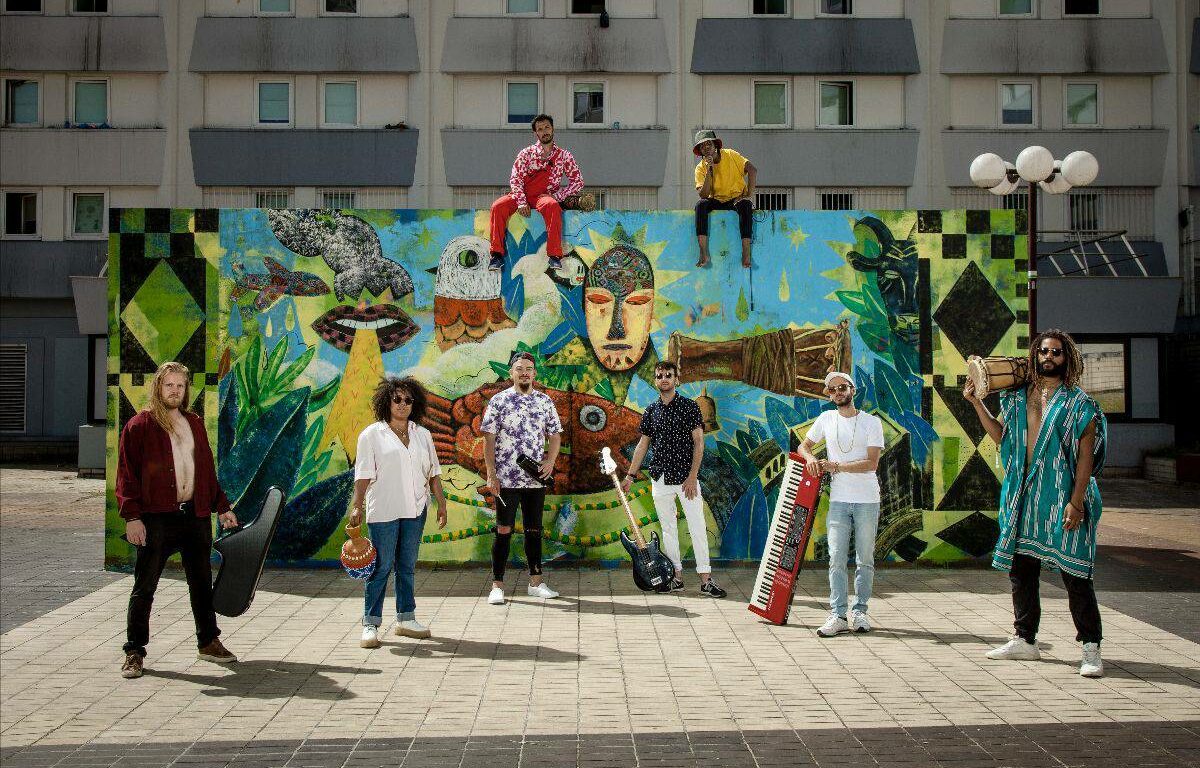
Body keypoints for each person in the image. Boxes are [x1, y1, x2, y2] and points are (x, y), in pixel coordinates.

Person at [964, 329, 1107, 678]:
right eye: (1043, 351)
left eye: (1056, 352)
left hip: (1062, 497)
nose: (1049, 357)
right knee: (1022, 569)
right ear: (1034, 355)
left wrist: (1076, 502)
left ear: (1067, 358)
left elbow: (1086, 456)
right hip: (1024, 496)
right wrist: (976, 403)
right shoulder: (1016, 398)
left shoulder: (1079, 404)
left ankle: (1091, 647)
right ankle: (1025, 640)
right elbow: (1002, 437)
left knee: (1076, 573)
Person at [116, 361, 239, 679]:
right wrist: (132, 517)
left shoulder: (193, 423)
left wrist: (221, 506)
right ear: (158, 386)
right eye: (169, 385)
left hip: (194, 516)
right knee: (145, 586)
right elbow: (127, 475)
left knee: (201, 583)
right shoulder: (140, 425)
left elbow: (206, 470)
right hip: (156, 518)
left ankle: (208, 642)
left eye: (180, 386)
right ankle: (134, 651)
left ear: (186, 390)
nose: (174, 391)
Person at [350, 377, 448, 648]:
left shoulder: (422, 434)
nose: (402, 404)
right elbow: (363, 476)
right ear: (387, 402)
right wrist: (357, 506)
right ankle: (370, 623)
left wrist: (441, 503)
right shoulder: (371, 435)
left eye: (408, 400)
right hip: (384, 510)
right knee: (381, 567)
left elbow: (433, 472)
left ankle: (406, 619)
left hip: (415, 509)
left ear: (414, 404)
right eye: (397, 399)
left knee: (406, 566)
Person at [622, 361, 727, 598]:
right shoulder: (651, 411)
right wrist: (630, 475)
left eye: (668, 375)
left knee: (697, 527)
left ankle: (706, 580)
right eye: (660, 376)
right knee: (668, 529)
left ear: (676, 379)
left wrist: (692, 476)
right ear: (655, 380)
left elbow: (699, 443)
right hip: (659, 479)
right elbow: (642, 445)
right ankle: (675, 578)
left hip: (685, 479)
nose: (664, 379)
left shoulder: (690, 407)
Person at [797, 372, 885, 637]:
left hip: (867, 499)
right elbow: (804, 446)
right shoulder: (826, 419)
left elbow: (872, 463)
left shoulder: (871, 422)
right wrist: (811, 458)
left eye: (842, 387)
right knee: (836, 558)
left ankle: (860, 612)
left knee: (864, 559)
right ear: (829, 395)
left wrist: (836, 466)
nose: (838, 392)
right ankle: (838, 615)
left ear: (852, 390)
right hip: (838, 500)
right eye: (833, 389)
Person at [481, 352, 563, 604]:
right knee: (503, 530)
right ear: (511, 373)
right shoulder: (499, 401)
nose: (524, 372)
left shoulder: (544, 401)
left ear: (534, 373)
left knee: (534, 531)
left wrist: (550, 461)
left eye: (528, 368)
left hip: (535, 480)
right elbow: (488, 439)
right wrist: (491, 474)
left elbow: (555, 435)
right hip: (506, 479)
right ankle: (497, 586)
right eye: (519, 368)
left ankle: (536, 583)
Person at [489, 114, 584, 272]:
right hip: (521, 195)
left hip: (544, 197)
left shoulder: (564, 156)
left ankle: (554, 256)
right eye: (540, 129)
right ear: (536, 133)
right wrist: (521, 202)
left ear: (552, 129)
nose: (544, 131)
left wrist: (557, 196)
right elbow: (516, 178)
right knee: (498, 206)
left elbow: (578, 181)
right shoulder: (526, 153)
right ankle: (496, 256)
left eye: (547, 127)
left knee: (553, 206)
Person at [693, 129, 757, 269]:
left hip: (735, 199)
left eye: (708, 144)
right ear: (700, 151)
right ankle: (703, 252)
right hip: (716, 200)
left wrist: (748, 194)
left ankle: (746, 252)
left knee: (746, 205)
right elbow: (703, 195)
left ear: (715, 145)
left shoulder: (730, 155)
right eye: (702, 146)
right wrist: (709, 170)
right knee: (700, 205)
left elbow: (752, 170)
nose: (706, 147)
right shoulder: (700, 168)